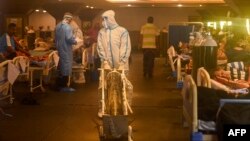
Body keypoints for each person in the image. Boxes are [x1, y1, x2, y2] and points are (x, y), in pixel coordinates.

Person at [55, 12, 77, 92]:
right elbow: (69, 38)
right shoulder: (68, 27)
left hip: (60, 49)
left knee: (61, 67)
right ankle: (64, 87)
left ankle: (59, 85)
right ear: (69, 19)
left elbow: (56, 38)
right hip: (66, 50)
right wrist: (75, 41)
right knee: (66, 68)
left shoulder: (58, 26)